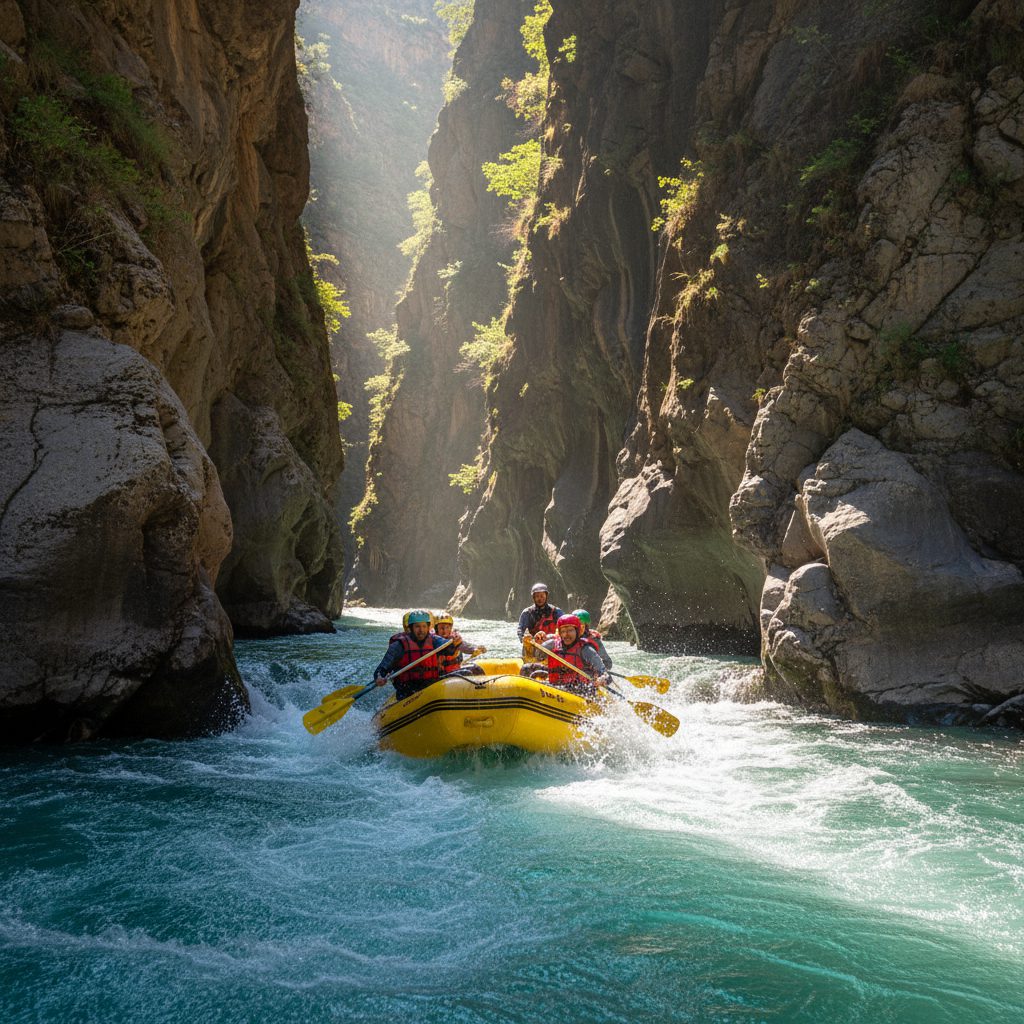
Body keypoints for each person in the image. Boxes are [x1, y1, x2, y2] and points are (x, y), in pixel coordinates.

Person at [373, 610, 449, 699]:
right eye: (417, 627)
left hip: (430, 688)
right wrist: (379, 677)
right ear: (411, 628)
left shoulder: (435, 640)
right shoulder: (399, 645)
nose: (421, 630)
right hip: (407, 692)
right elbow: (382, 668)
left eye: (424, 626)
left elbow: (449, 648)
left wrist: (455, 642)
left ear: (428, 627)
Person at [536, 614, 610, 696]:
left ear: (577, 631)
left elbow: (606, 675)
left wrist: (602, 679)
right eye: (563, 631)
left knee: (577, 687)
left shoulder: (586, 650)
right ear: (560, 633)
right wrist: (533, 643)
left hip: (580, 690)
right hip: (556, 685)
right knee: (527, 668)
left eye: (570, 630)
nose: (566, 634)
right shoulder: (552, 644)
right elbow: (537, 656)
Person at [516, 582, 564, 662]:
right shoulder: (527, 613)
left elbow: (565, 625)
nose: (540, 599)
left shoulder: (556, 612)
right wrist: (524, 638)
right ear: (533, 597)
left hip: (551, 647)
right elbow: (520, 629)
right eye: (537, 596)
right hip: (533, 646)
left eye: (542, 596)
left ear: (546, 596)